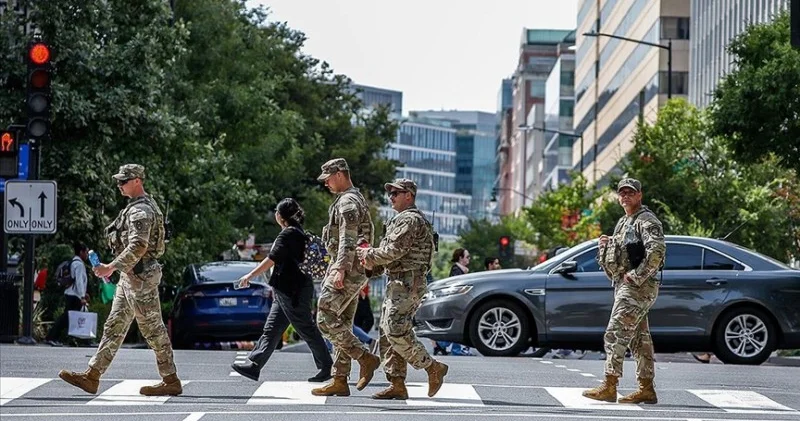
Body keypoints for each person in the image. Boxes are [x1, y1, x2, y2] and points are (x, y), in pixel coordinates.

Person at [59, 164, 181, 396]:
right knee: (114, 325)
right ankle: (92, 376)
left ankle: (171, 380)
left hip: (141, 277)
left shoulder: (140, 211)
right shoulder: (137, 207)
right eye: (119, 181)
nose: (119, 186)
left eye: (123, 181)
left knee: (152, 329)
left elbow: (139, 245)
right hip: (131, 276)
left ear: (137, 181)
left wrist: (110, 267)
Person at [357, 178, 449, 400]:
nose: (391, 197)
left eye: (396, 193)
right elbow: (391, 256)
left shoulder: (410, 220)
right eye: (390, 193)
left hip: (409, 283)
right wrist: (371, 266)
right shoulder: (399, 220)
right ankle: (396, 383)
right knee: (387, 333)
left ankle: (432, 367)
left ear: (409, 195)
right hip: (398, 281)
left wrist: (366, 254)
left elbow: (393, 250)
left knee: (396, 329)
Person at [231, 198, 334, 383]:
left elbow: (272, 258)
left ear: (280, 216)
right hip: (288, 290)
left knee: (306, 328)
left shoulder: (287, 234)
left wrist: (249, 276)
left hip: (293, 291)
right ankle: (254, 366)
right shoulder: (298, 233)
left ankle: (326, 366)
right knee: (272, 329)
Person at [583, 178, 665, 405]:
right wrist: (605, 246)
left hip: (637, 287)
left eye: (631, 192)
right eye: (622, 193)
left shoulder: (646, 220)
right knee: (639, 338)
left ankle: (609, 385)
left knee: (615, 332)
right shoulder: (623, 222)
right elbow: (617, 256)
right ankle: (646, 388)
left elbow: (656, 251)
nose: (626, 196)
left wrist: (636, 277)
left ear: (640, 195)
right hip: (625, 286)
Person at [312, 158, 381, 397]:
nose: (326, 184)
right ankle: (340, 379)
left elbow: (348, 237)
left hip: (348, 269)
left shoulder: (348, 200)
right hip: (354, 268)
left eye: (328, 178)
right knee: (342, 322)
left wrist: (339, 268)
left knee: (324, 316)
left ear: (340, 174)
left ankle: (365, 358)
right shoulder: (352, 198)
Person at [45, 244, 89, 347]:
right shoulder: (78, 264)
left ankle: (75, 340)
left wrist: (84, 294)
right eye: (86, 252)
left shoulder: (74, 262)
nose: (87, 255)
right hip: (74, 296)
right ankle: (51, 337)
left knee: (71, 319)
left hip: (72, 294)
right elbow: (78, 281)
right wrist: (82, 296)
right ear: (81, 252)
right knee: (68, 318)